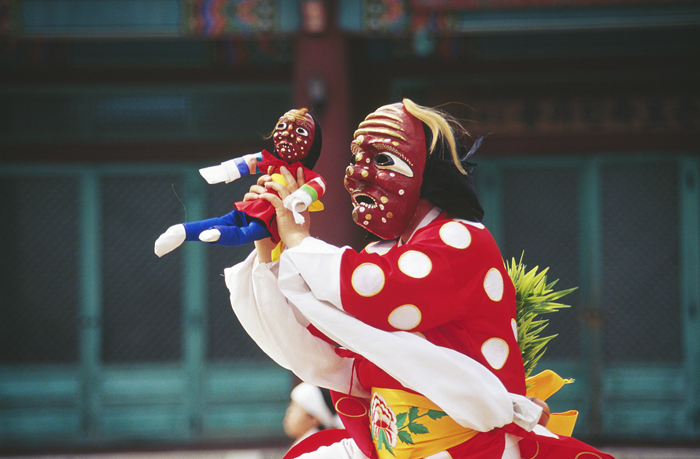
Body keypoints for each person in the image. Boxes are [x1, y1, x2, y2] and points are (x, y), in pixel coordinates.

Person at [224, 99, 614, 459]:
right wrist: (271, 246)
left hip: (463, 448)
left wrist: (299, 240)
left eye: (382, 159)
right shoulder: (382, 255)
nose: (359, 173)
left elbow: (378, 296)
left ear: (429, 172)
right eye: (357, 157)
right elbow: (319, 332)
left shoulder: (462, 239)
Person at [154, 108, 325, 259]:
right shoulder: (271, 162)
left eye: (301, 131)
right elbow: (248, 162)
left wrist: (299, 200)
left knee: (248, 232)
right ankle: (182, 231)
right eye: (281, 127)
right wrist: (224, 171)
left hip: (272, 216)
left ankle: (219, 234)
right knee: (228, 219)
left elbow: (318, 184)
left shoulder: (304, 174)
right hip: (255, 203)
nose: (287, 134)